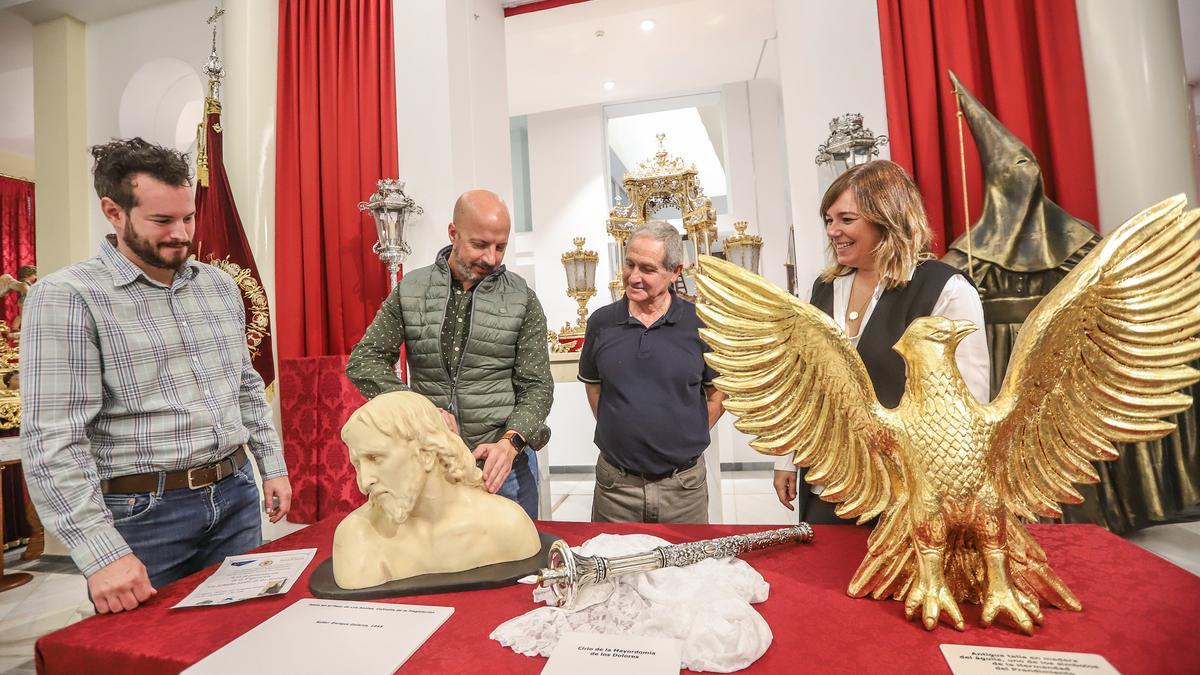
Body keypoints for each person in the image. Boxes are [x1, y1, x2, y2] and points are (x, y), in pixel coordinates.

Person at [20, 138, 291, 613]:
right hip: (143, 516)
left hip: (236, 494)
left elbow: (245, 385)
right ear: (113, 211)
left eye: (188, 217)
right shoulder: (68, 297)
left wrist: (272, 464)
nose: (182, 234)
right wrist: (102, 555)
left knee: (241, 635)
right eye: (162, 221)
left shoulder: (218, 285)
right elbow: (53, 442)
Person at [773, 160, 989, 523]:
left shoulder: (944, 289)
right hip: (827, 483)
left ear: (886, 219)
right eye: (828, 220)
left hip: (908, 491)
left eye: (846, 219)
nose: (832, 231)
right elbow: (805, 385)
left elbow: (969, 402)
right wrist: (787, 458)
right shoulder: (825, 289)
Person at [346, 189, 553, 520]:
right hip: (430, 467)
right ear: (453, 233)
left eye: (501, 246)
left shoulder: (522, 300)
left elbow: (538, 387)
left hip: (504, 471)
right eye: (480, 245)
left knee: (513, 568)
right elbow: (364, 361)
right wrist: (420, 412)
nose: (492, 258)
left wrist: (510, 443)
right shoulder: (411, 289)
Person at [578, 221, 726, 524]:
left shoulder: (700, 325)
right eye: (629, 264)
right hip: (615, 490)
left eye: (646, 269)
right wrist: (623, 430)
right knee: (614, 571)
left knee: (687, 571)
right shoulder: (601, 323)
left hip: (683, 491)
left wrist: (687, 433)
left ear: (675, 272)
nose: (633, 276)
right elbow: (594, 387)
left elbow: (719, 392)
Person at [332, 391, 540, 589]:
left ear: (426, 455)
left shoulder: (507, 525)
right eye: (357, 464)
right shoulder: (358, 537)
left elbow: (536, 387)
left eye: (375, 458)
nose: (363, 483)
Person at [0, 264, 37, 334]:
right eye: (34, 275)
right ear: (27, 275)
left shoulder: (26, 284)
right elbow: (27, 293)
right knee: (23, 315)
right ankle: (15, 328)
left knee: (21, 315)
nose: (35, 277)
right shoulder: (24, 284)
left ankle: (16, 327)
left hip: (24, 301)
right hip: (24, 301)